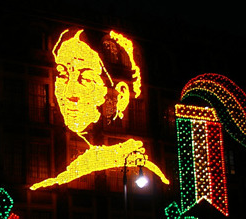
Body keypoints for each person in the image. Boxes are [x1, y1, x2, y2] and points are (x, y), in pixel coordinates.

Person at [30, 29, 168, 190]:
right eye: (62, 75)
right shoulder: (79, 164)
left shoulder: (138, 164)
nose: (70, 93)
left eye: (87, 79)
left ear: (121, 97)